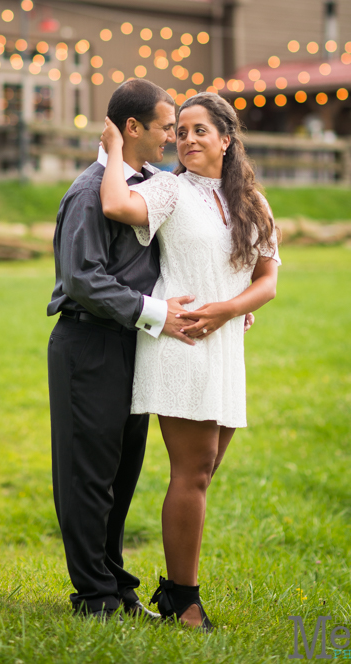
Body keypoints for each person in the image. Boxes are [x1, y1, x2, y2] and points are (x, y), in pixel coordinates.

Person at [99, 91, 280, 631]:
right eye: (181, 130)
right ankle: (184, 600)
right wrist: (113, 150)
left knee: (204, 471)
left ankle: (175, 590)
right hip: (183, 343)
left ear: (227, 139)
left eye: (201, 130)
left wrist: (230, 308)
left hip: (225, 343)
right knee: (193, 471)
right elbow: (114, 205)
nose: (188, 138)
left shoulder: (253, 201)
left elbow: (267, 280)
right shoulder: (169, 189)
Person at [46, 78, 199, 619]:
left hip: (135, 345)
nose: (173, 139)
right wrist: (158, 314)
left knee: (122, 472)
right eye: (165, 128)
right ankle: (94, 597)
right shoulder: (90, 192)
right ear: (132, 128)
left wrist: (230, 301)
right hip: (89, 344)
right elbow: (82, 279)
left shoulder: (152, 186)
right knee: (88, 475)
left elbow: (187, 246)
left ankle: (115, 585)